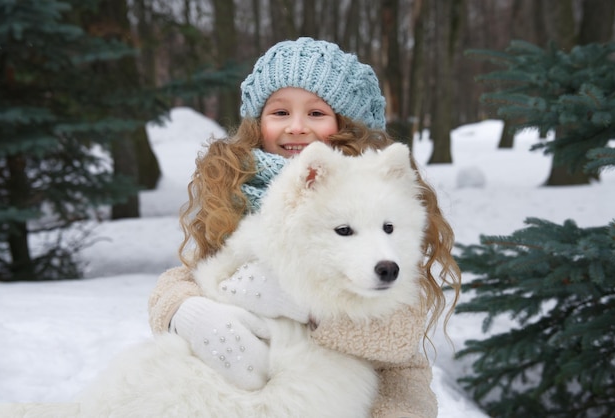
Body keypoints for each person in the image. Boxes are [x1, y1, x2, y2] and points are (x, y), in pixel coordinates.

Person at [148, 37, 460, 418]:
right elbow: (189, 272)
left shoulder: (381, 197)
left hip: (377, 399)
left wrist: (308, 309)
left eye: (316, 113)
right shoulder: (235, 192)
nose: (296, 128)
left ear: (347, 123)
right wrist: (184, 310)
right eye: (279, 112)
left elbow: (399, 336)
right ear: (258, 123)